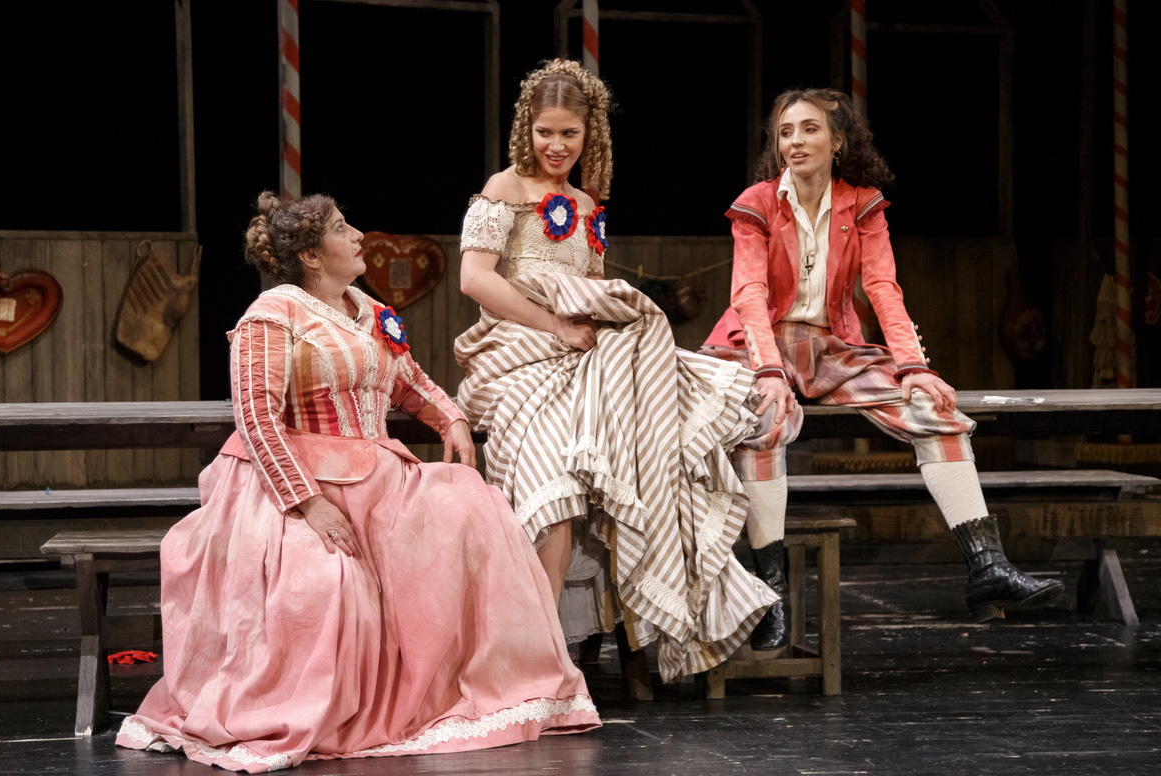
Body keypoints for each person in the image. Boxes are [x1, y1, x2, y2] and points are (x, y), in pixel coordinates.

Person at [116, 192, 599, 772]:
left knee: (475, 510)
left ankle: (461, 686)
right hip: (290, 483)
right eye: (342, 228)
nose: (357, 235)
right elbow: (257, 417)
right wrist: (308, 503)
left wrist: (450, 417)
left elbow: (407, 380)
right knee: (326, 583)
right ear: (312, 256)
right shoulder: (273, 315)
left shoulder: (366, 309)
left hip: (373, 475)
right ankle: (316, 706)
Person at [700, 88, 1063, 648]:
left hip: (831, 345)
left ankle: (987, 567)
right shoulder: (757, 204)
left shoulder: (862, 204)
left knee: (934, 410)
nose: (795, 141)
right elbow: (748, 293)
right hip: (757, 344)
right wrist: (768, 370)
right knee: (763, 423)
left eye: (809, 129)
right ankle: (770, 595)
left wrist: (914, 366)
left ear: (837, 141)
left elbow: (882, 287)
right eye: (785, 132)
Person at [454, 59, 778, 687]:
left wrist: (595, 325)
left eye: (569, 134)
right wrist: (555, 326)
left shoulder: (585, 203)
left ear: (589, 134)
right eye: (544, 133)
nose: (555, 146)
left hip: (583, 351)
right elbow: (475, 279)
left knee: (653, 442)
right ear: (526, 129)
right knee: (555, 483)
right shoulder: (503, 187)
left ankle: (628, 628)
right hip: (518, 348)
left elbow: (594, 290)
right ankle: (536, 662)